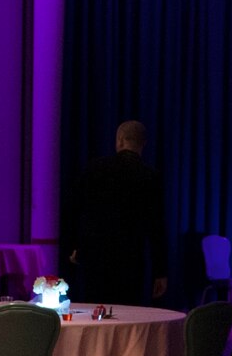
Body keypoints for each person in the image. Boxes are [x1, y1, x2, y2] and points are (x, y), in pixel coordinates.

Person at [70, 120, 167, 306]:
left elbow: (77, 211)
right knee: (128, 316)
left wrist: (77, 246)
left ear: (120, 140)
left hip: (95, 258)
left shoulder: (94, 169)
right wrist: (160, 271)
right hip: (131, 261)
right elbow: (156, 227)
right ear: (143, 144)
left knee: (95, 314)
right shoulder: (150, 176)